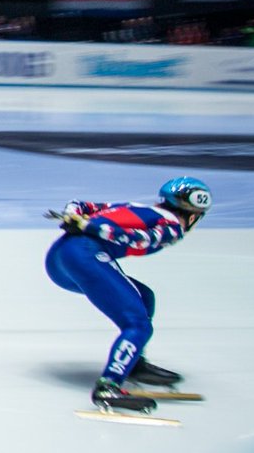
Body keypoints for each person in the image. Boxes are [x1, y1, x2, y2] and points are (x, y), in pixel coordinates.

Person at [44, 176, 212, 413]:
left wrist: (73, 216)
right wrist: (87, 226)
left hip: (59, 258)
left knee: (145, 297)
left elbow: (79, 204)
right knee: (138, 325)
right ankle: (109, 386)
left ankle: (133, 362)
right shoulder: (172, 227)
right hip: (84, 257)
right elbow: (136, 239)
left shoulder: (137, 207)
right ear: (194, 215)